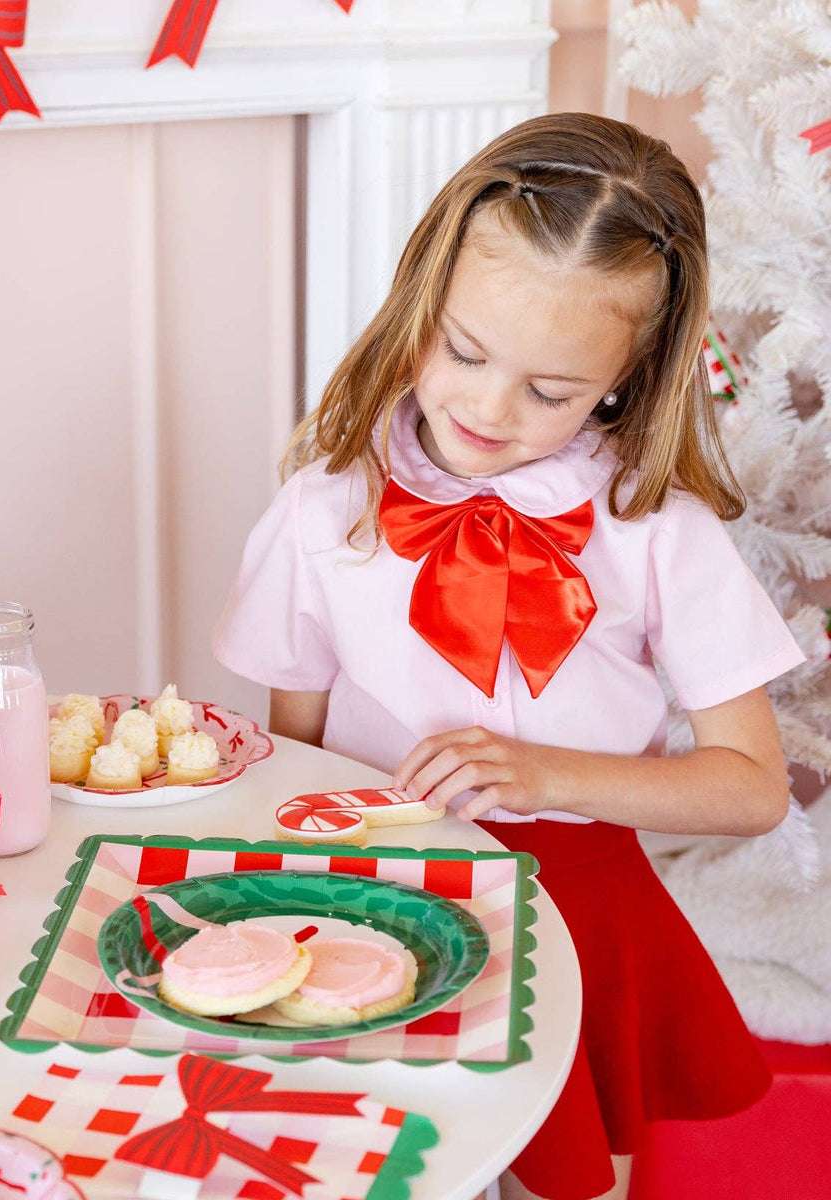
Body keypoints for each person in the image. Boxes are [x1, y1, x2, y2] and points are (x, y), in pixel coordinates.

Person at [212, 112, 805, 1200]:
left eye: (552, 392)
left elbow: (753, 788)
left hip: (575, 908)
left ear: (627, 379)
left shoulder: (656, 527)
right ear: (421, 305)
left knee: (562, 1181)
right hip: (368, 894)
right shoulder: (322, 509)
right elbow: (287, 753)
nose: (487, 409)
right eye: (466, 352)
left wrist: (545, 778)